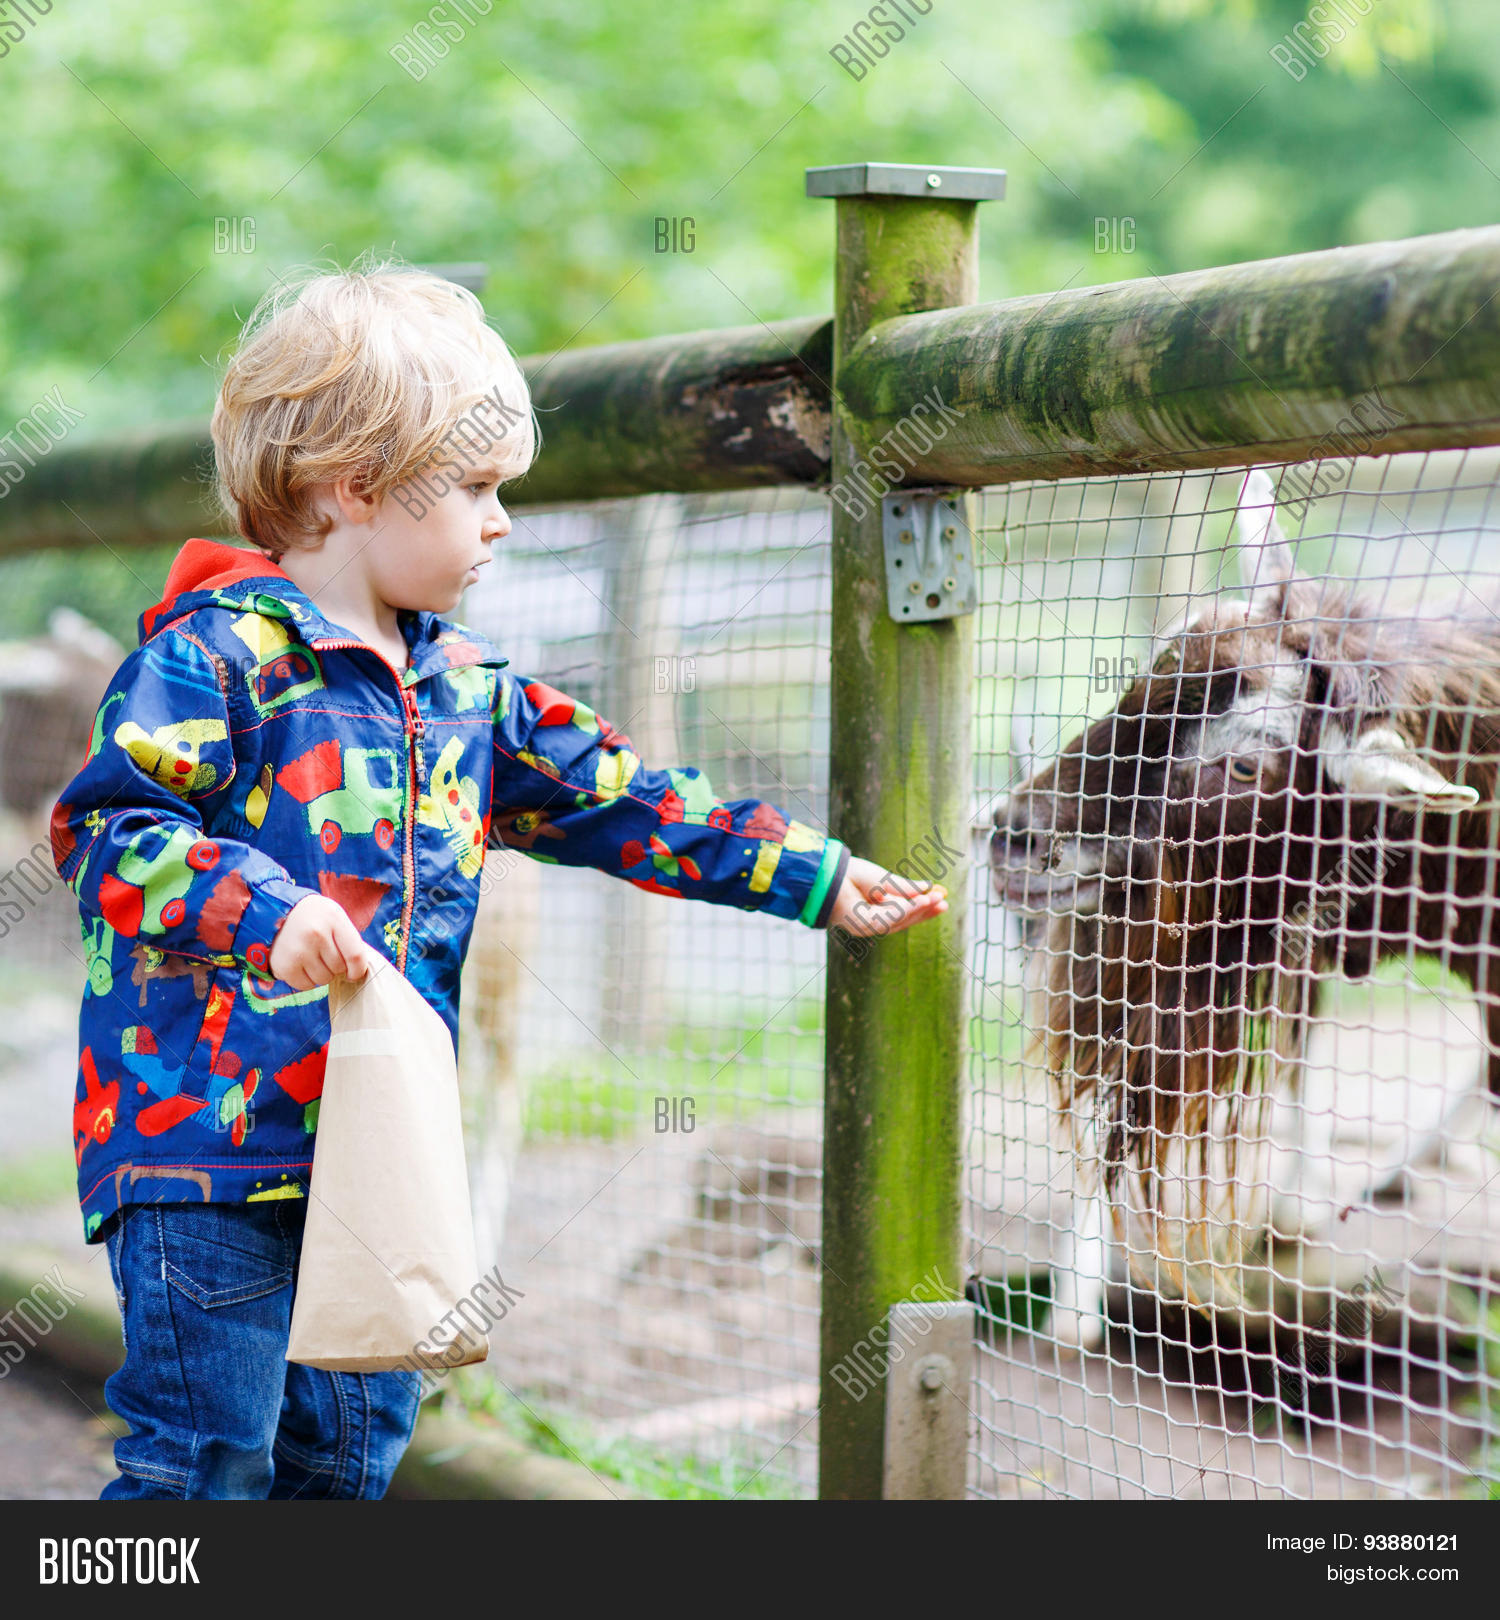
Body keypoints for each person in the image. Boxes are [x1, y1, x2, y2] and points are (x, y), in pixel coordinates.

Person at [50, 262, 949, 1499]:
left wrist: (815, 875)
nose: (502, 521)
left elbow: (624, 797)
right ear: (352, 486)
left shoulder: (467, 691)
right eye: (474, 489)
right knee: (205, 1458)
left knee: (349, 1454)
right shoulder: (211, 659)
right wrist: (270, 913)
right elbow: (110, 834)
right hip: (202, 1148)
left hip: (380, 1146)